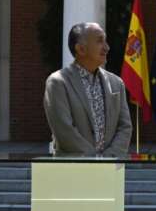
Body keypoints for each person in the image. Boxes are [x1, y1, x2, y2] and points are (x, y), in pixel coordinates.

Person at [43, 22, 132, 156]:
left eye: (105, 41)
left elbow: (125, 126)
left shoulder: (116, 83)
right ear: (81, 49)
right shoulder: (58, 83)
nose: (107, 47)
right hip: (72, 170)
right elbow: (64, 130)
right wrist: (94, 159)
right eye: (100, 41)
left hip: (111, 171)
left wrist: (109, 157)